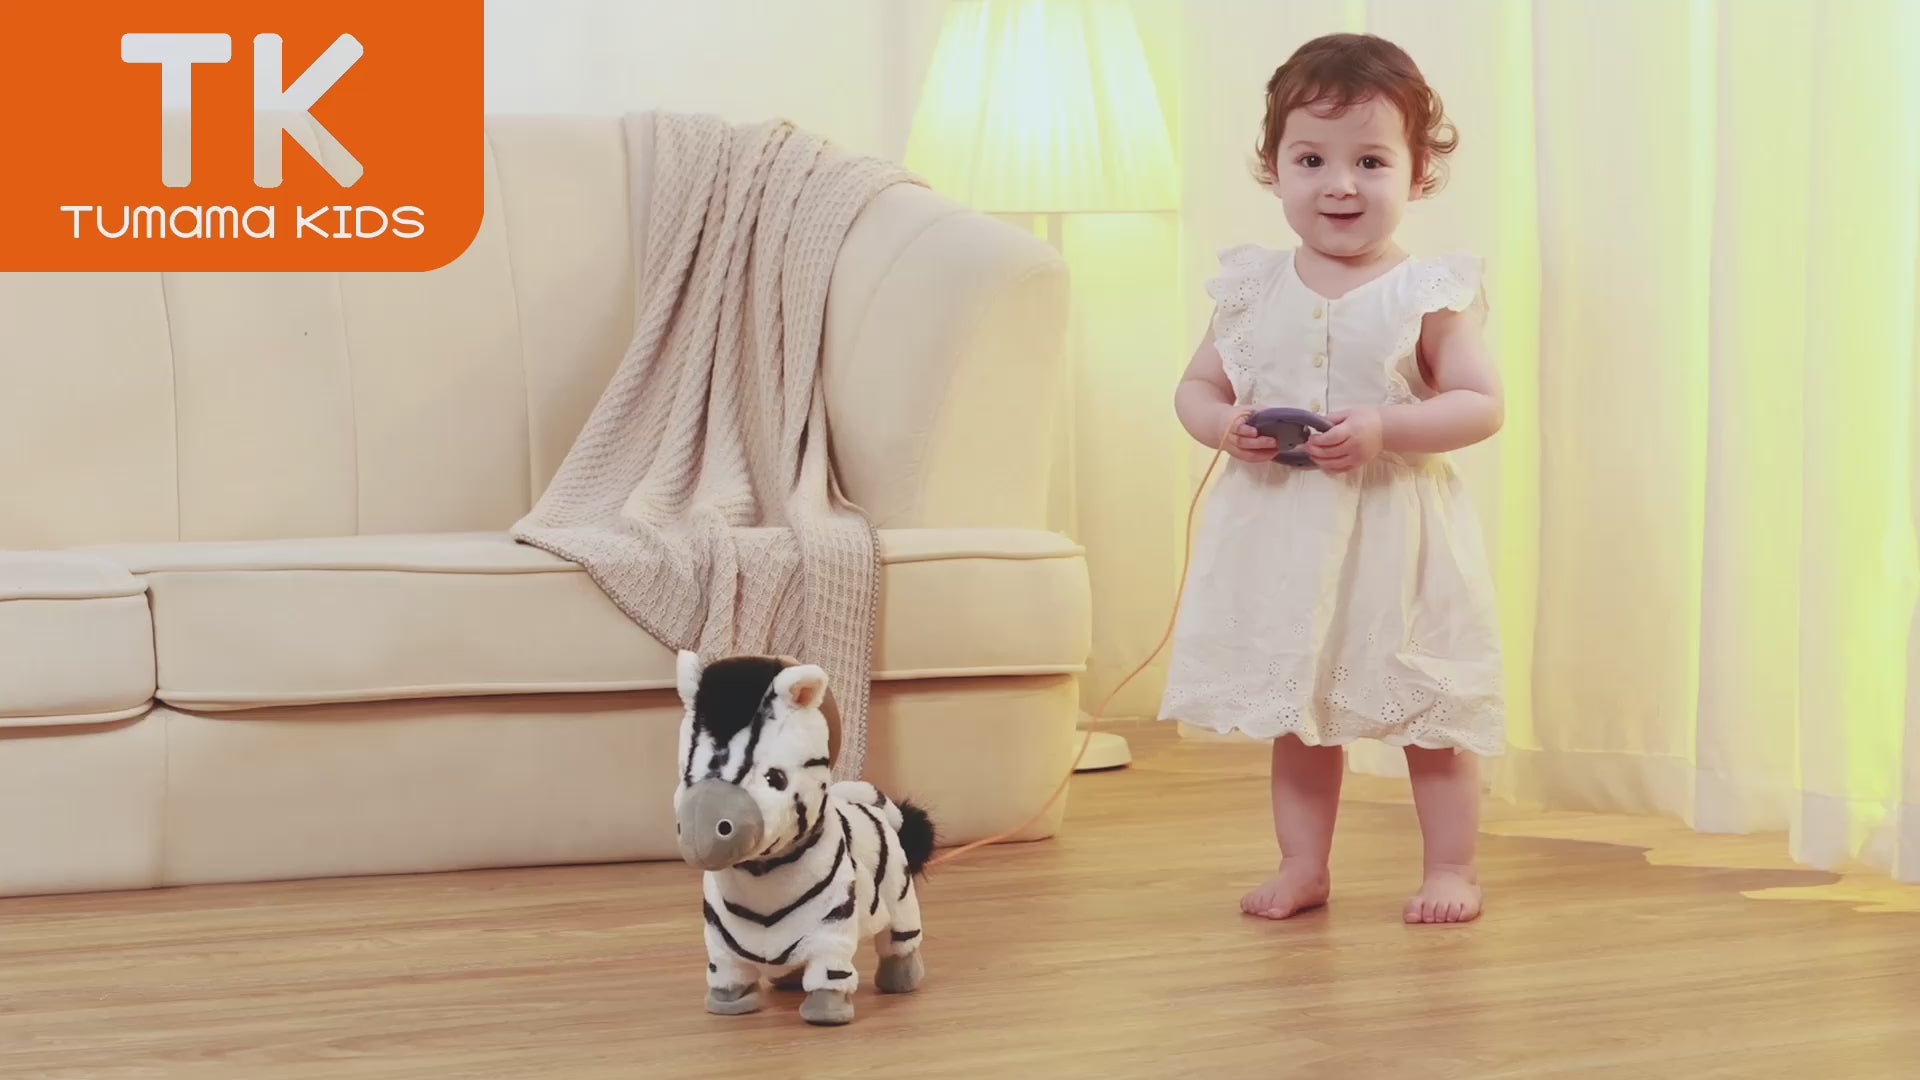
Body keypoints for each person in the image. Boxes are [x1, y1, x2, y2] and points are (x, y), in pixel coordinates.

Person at [1161, 32, 1506, 926]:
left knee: (1428, 708)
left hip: (1396, 536)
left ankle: (1453, 867)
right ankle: (1302, 864)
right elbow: (1198, 386)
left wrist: (1390, 426)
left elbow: (1479, 403)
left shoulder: (1427, 292)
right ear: (1274, 167)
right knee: (1298, 710)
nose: (1339, 184)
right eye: (1311, 158)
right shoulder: (1250, 287)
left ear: (1418, 172)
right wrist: (1223, 426)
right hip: (1283, 534)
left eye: (1370, 160)